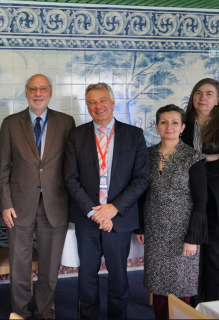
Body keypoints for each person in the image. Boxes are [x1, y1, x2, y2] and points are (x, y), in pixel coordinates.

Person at [64, 83, 149, 319]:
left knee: (119, 275)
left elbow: (141, 179)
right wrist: (96, 213)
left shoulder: (134, 135)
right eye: (92, 102)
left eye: (102, 100)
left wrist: (113, 209)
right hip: (87, 218)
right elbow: (70, 179)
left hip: (120, 218)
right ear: (87, 106)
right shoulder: (76, 135)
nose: (98, 106)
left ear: (112, 103)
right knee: (87, 276)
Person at [0, 74, 75, 319]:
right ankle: (20, 312)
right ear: (26, 92)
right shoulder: (10, 123)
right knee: (19, 265)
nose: (38, 93)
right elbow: (3, 168)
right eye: (33, 89)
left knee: (50, 267)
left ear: (50, 92)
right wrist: (5, 203)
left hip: (56, 204)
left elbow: (71, 166)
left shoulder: (66, 122)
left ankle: (44, 312)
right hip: (19, 206)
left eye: (43, 89)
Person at [134, 105, 207, 319]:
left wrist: (193, 238)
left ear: (183, 127)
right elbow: (140, 194)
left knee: (181, 288)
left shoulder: (193, 158)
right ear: (156, 126)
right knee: (158, 286)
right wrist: (140, 226)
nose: (169, 127)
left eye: (175, 122)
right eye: (164, 122)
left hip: (183, 233)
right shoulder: (146, 156)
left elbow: (201, 202)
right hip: (155, 231)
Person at [182, 78, 219, 305]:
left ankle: (213, 305)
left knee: (214, 252)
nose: (202, 98)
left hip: (215, 193)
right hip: (188, 193)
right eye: (198, 93)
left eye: (209, 94)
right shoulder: (183, 123)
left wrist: (198, 158)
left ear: (217, 100)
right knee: (192, 253)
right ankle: (193, 305)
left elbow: (190, 157)